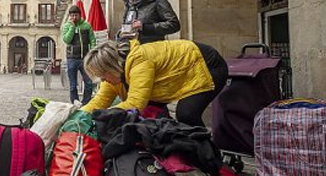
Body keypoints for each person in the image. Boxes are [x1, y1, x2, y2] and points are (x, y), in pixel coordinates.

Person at [81, 39, 228, 128]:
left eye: (102, 75)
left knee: (187, 114)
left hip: (206, 64)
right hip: (185, 68)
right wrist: (78, 115)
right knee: (155, 117)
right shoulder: (114, 74)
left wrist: (100, 116)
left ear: (111, 67)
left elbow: (135, 104)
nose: (102, 80)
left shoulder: (139, 62)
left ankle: (207, 155)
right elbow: (100, 101)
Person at [62, 4, 96, 104]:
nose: (74, 17)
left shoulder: (86, 25)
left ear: (80, 15)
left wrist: (92, 53)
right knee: (73, 84)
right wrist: (72, 28)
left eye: (76, 15)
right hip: (72, 58)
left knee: (89, 82)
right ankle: (75, 102)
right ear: (70, 16)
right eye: (72, 15)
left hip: (85, 58)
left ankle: (86, 102)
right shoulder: (67, 26)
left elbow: (92, 40)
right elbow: (67, 40)